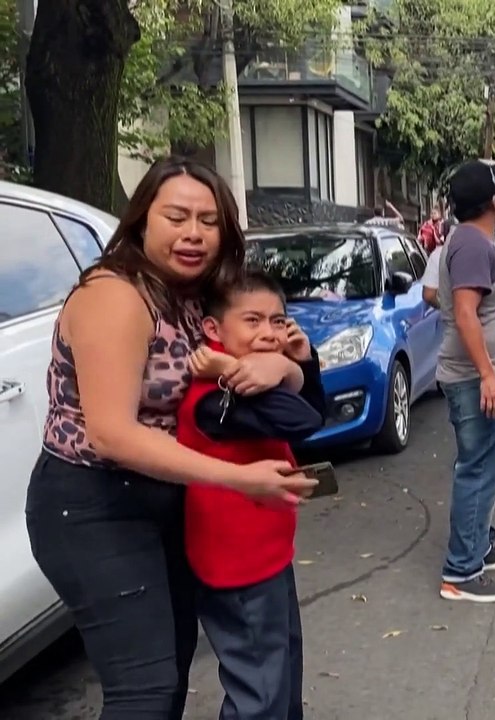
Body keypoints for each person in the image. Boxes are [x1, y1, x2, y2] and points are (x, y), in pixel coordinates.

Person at [25, 156, 316, 720]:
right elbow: (111, 435)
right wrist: (238, 479)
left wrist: (284, 368)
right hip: (94, 504)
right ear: (142, 221)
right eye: (176, 217)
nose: (193, 233)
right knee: (146, 689)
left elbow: (273, 367)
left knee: (173, 673)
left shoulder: (193, 295)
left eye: (208, 221)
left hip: (170, 500)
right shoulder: (115, 296)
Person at [179, 272, 325, 720]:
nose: (268, 332)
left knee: (284, 671)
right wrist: (253, 369)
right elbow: (302, 420)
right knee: (260, 692)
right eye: (252, 320)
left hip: (269, 553)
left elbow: (313, 413)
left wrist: (299, 364)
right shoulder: (214, 395)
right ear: (213, 329)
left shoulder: (254, 378)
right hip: (236, 567)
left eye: (278, 321)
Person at [436, 159, 495, 603]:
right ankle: (461, 572)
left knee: (486, 468)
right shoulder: (472, 243)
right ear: (494, 200)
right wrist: (489, 375)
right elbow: (465, 312)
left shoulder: (473, 240)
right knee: (476, 470)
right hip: (478, 381)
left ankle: (478, 546)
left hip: (486, 377)